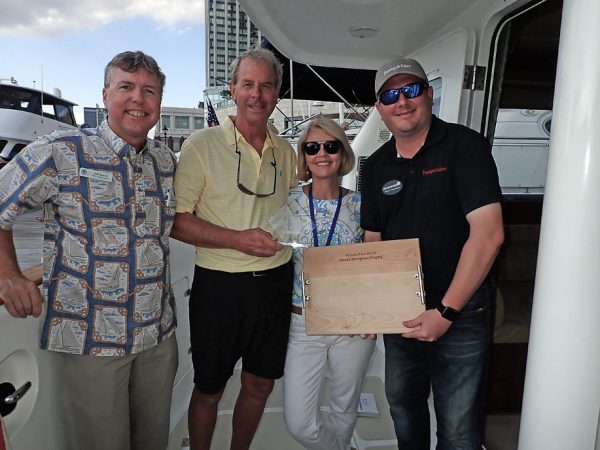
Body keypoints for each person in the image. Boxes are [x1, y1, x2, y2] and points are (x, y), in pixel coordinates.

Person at [0, 51, 178, 450]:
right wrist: (9, 275)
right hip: (93, 340)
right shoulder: (60, 151)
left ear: (159, 103)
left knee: (153, 442)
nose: (138, 99)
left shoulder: (164, 162)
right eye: (126, 87)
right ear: (104, 95)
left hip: (158, 335)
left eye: (149, 90)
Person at [360, 57, 504, 449]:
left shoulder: (464, 146)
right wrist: (372, 305)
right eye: (391, 95)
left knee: (458, 429)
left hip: (460, 312)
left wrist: (445, 312)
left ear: (429, 94)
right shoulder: (374, 167)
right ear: (380, 108)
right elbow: (373, 241)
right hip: (401, 311)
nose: (401, 101)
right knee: (403, 406)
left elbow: (489, 234)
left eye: (411, 90)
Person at [170, 47, 297, 450]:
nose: (256, 95)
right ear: (233, 90)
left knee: (260, 383)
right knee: (209, 387)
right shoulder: (201, 145)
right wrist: (238, 240)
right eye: (248, 85)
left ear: (277, 93)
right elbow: (177, 220)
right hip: (221, 287)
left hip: (277, 283)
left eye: (266, 86)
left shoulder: (286, 150)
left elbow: (297, 209)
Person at [282, 117, 375, 450]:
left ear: (343, 152)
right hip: (301, 321)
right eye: (312, 147)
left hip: (351, 322)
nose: (322, 153)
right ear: (304, 156)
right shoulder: (287, 202)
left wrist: (374, 315)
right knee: (300, 423)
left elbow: (376, 265)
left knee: (343, 408)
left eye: (330, 145)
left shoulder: (363, 205)